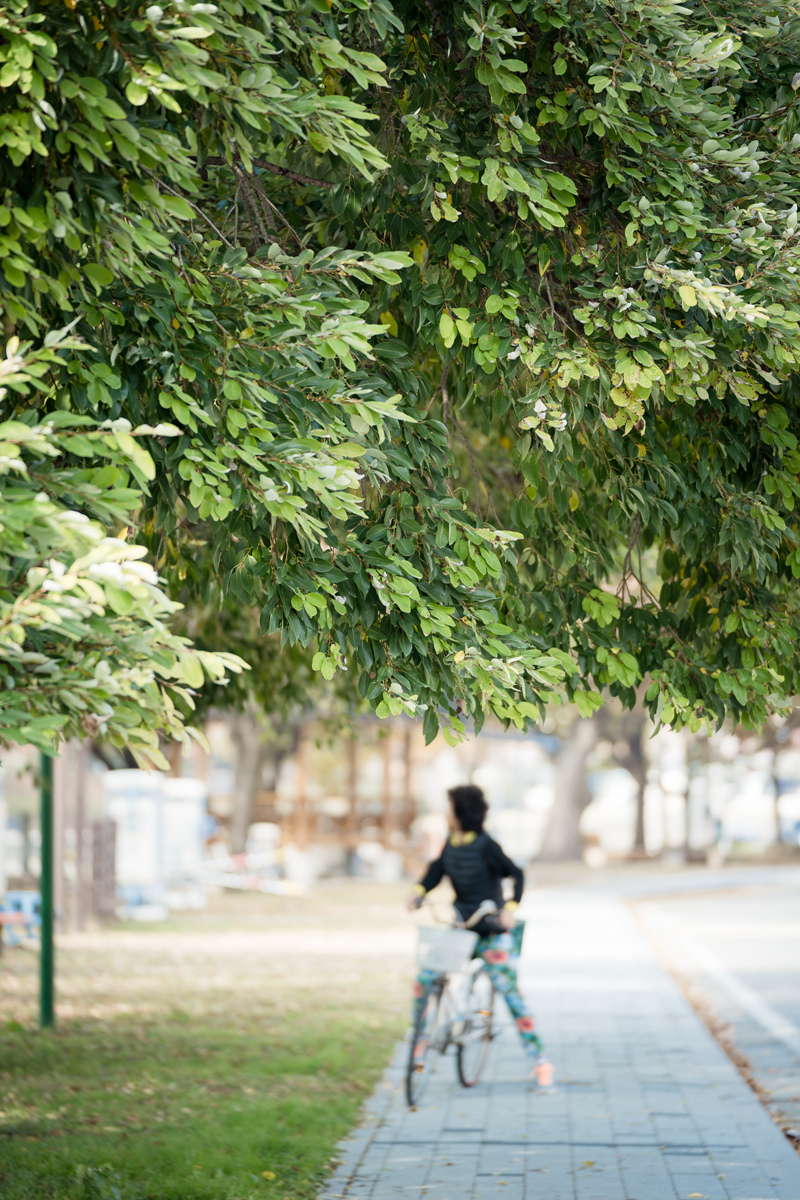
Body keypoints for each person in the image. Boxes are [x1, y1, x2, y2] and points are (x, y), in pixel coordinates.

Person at [407, 783, 554, 1089]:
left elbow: (517, 874)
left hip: (490, 931)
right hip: (461, 928)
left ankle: (540, 1061)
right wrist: (418, 892)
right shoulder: (452, 843)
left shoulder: (486, 845)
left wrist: (510, 908)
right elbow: (436, 871)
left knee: (510, 993)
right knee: (425, 978)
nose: (445, 813)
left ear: (460, 813)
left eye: (449, 808)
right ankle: (419, 1040)